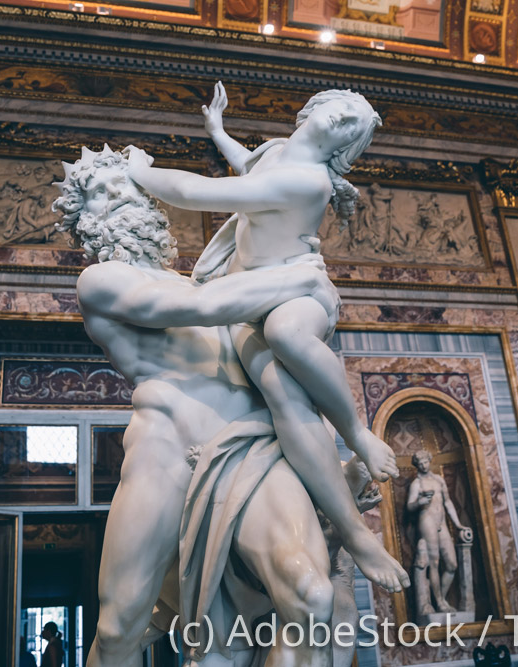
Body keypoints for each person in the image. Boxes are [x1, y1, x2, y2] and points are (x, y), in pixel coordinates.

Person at [53, 146, 355, 666]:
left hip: (246, 452)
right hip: (166, 452)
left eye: (126, 184)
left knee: (311, 595)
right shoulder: (102, 282)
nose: (120, 195)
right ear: (83, 221)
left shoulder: (203, 278)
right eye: (102, 192)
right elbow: (200, 306)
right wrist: (301, 276)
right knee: (121, 624)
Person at [126, 81, 409, 592]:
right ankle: (352, 530)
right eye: (342, 109)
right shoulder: (280, 154)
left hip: (297, 291)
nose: (343, 120)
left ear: (344, 148)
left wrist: (138, 173)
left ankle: (356, 433)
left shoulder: (309, 182)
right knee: (280, 391)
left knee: (284, 330)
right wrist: (218, 131)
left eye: (352, 125)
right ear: (313, 108)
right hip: (246, 297)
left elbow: (198, 193)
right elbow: (249, 168)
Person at [406, 450, 472, 617]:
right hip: (427, 521)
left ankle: (439, 597)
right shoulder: (417, 484)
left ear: (429, 461)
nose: (423, 465)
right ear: (417, 465)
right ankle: (441, 602)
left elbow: (448, 502)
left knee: (451, 564)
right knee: (434, 562)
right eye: (420, 463)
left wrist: (458, 525)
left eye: (425, 462)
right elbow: (409, 506)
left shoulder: (438, 480)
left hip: (442, 523)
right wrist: (419, 502)